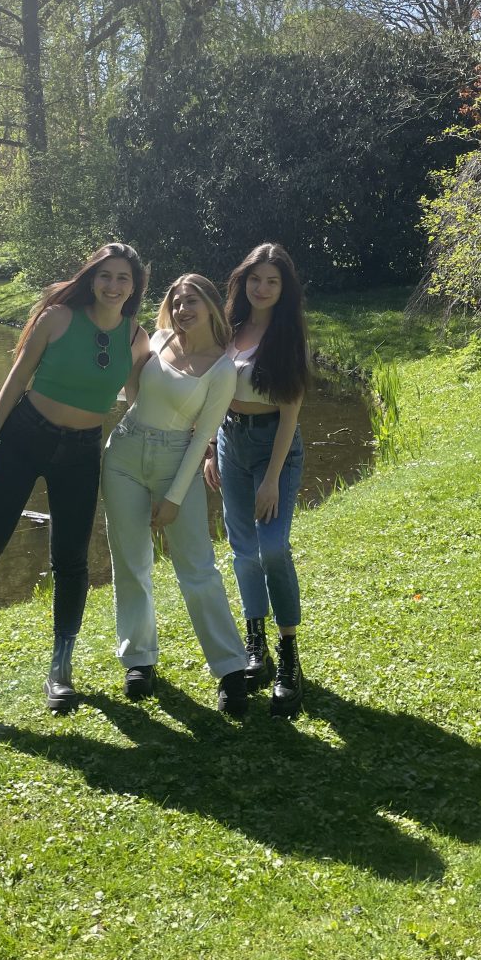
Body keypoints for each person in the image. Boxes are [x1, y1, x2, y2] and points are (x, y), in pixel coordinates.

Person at [0, 243, 149, 716]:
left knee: (71, 561)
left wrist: (192, 436)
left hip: (82, 452)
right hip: (24, 437)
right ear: (92, 278)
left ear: (134, 286)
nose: (112, 285)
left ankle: (60, 669)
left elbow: (140, 402)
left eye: (123, 278)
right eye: (105, 275)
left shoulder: (136, 338)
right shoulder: (57, 318)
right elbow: (17, 378)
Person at [103, 275, 248, 715]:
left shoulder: (222, 368)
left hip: (176, 460)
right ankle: (139, 659)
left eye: (192, 302)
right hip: (124, 455)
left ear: (210, 306)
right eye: (177, 302)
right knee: (131, 562)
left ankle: (230, 669)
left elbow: (204, 434)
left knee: (197, 568)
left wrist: (174, 497)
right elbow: (131, 389)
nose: (183, 310)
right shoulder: (159, 339)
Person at [204, 243, 312, 718]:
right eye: (255, 279)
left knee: (272, 548)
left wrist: (271, 480)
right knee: (243, 550)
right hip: (231, 442)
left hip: (274, 447)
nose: (262, 288)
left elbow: (290, 415)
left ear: (284, 288)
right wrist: (211, 447)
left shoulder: (289, 337)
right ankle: (257, 647)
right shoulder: (227, 328)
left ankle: (289, 657)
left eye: (272, 281)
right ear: (242, 281)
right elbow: (213, 393)